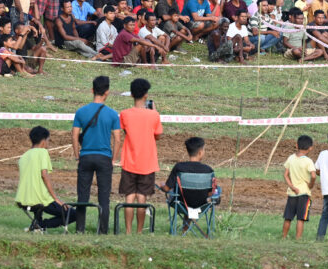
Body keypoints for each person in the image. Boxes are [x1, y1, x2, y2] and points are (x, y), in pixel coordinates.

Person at [71, 76, 121, 234]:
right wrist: (113, 159)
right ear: (107, 92)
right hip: (104, 157)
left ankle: (80, 229)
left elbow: (74, 136)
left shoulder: (81, 111)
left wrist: (77, 155)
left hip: (85, 156)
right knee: (104, 197)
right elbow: (118, 140)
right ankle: (103, 230)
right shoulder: (113, 114)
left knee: (82, 195)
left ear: (92, 90)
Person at [118, 78, 162, 234]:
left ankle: (128, 231)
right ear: (146, 95)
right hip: (147, 162)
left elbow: (125, 131)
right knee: (142, 197)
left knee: (129, 197)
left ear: (131, 94)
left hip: (129, 161)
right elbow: (157, 135)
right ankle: (139, 232)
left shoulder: (124, 114)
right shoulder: (154, 115)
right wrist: (154, 111)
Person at [15, 126, 76, 232]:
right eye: (48, 140)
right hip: (40, 198)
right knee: (74, 214)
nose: (48, 143)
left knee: (41, 209)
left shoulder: (24, 156)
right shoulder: (42, 152)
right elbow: (44, 175)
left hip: (23, 198)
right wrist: (56, 199)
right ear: (43, 140)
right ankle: (40, 225)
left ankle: (37, 224)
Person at [163, 136, 218, 233]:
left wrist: (162, 186)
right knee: (194, 195)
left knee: (183, 195)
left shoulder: (179, 167)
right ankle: (187, 228)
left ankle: (185, 228)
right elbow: (211, 193)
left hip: (181, 204)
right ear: (200, 152)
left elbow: (167, 188)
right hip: (202, 205)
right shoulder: (208, 170)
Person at [282, 134, 317, 240]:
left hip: (292, 193)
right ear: (310, 148)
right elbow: (313, 175)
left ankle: (283, 237)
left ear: (296, 145)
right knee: (301, 218)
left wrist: (292, 187)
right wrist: (311, 184)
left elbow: (285, 175)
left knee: (288, 217)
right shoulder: (308, 161)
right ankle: (298, 239)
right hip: (304, 193)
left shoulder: (291, 158)